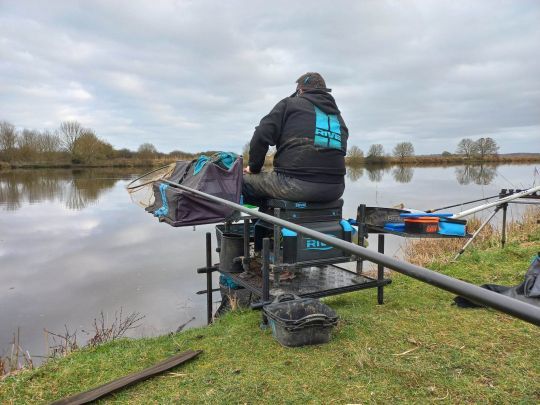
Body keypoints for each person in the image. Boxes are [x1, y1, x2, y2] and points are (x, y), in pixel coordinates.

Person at [242, 72, 348, 206]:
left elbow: (261, 134)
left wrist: (254, 168)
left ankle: (262, 225)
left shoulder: (289, 104)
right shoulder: (338, 118)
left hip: (295, 185)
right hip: (335, 189)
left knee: (242, 181)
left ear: (301, 90)